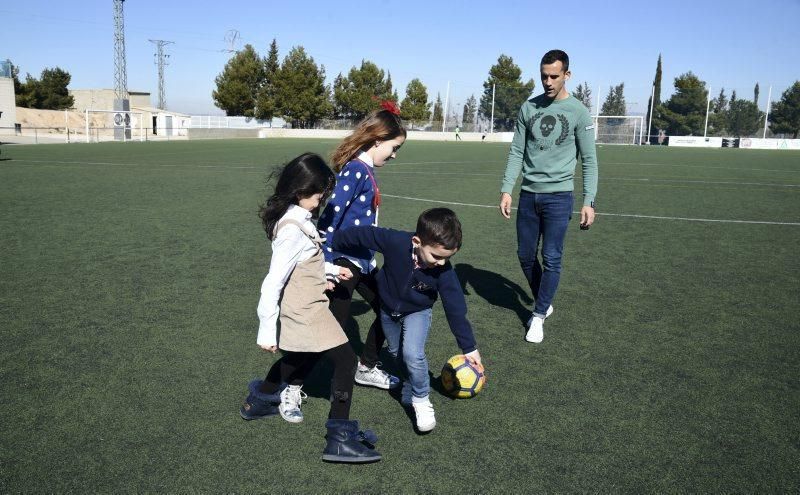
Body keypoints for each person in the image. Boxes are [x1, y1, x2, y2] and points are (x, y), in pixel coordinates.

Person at [239, 152, 381, 464]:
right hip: (307, 310)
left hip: (311, 302)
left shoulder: (300, 220)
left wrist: (330, 272)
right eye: (318, 196)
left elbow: (304, 264)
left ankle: (261, 398)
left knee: (302, 357)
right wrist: (266, 328)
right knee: (346, 363)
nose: (319, 203)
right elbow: (274, 281)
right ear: (301, 191)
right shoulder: (291, 228)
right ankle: (339, 437)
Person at [332, 208, 482, 433]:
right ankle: (410, 383)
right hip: (387, 309)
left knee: (413, 353)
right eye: (437, 256)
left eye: (447, 258)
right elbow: (365, 235)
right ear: (416, 241)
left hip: (417, 312)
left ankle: (421, 400)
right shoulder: (396, 241)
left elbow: (455, 309)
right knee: (396, 354)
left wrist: (469, 347)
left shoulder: (444, 272)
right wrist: (333, 240)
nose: (441, 263)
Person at [499, 49, 598, 344]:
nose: (548, 81)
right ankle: (545, 298)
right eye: (544, 76)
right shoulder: (528, 109)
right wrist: (507, 188)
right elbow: (517, 151)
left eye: (554, 76)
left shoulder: (578, 112)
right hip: (529, 195)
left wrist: (588, 200)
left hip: (559, 197)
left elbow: (590, 160)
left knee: (552, 257)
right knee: (525, 255)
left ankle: (539, 315)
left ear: (567, 75)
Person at [318, 105, 406, 391]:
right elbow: (329, 219)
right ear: (378, 139)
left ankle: (366, 366)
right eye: (394, 147)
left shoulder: (364, 169)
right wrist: (328, 265)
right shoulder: (355, 170)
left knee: (390, 307)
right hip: (344, 264)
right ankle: (288, 384)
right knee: (330, 330)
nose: (394, 155)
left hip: (362, 262)